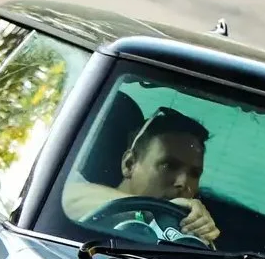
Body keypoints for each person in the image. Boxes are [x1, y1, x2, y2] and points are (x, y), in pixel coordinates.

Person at [62, 105, 221, 246]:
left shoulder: (185, 236)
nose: (183, 182)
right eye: (168, 166)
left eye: (194, 174)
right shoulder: (77, 191)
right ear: (129, 164)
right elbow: (67, 200)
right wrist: (147, 209)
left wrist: (200, 231)